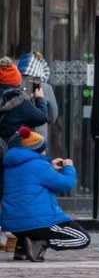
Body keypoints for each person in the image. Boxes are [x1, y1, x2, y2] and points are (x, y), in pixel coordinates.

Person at [1, 126, 90, 262]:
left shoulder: (11, 166)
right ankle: (41, 242)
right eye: (44, 149)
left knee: (25, 216)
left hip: (14, 225)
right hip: (38, 223)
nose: (46, 152)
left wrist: (49, 165)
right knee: (82, 238)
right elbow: (66, 184)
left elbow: (30, 177)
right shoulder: (40, 167)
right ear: (39, 150)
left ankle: (22, 248)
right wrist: (69, 168)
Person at [0, 56, 48, 205]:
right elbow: (41, 117)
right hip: (6, 151)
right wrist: (39, 99)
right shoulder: (20, 100)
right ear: (16, 81)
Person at [17, 51, 58, 140]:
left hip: (16, 137)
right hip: (38, 138)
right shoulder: (45, 87)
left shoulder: (14, 84)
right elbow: (52, 116)